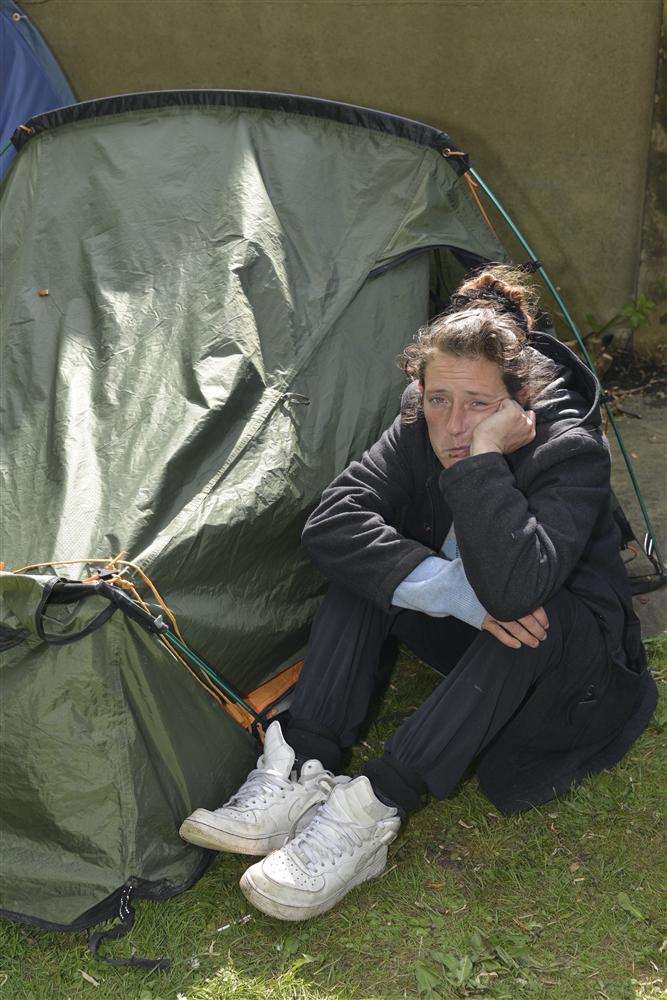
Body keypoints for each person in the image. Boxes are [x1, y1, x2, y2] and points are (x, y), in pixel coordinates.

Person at [180, 264, 657, 923]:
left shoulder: (566, 450)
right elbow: (332, 522)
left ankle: (369, 812)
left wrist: (486, 460)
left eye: (478, 405)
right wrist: (453, 592)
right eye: (438, 399)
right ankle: (300, 766)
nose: (454, 423)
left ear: (516, 401)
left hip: (570, 670)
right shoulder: (418, 427)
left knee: (529, 613)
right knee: (371, 567)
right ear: (418, 390)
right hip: (482, 632)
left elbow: (515, 587)